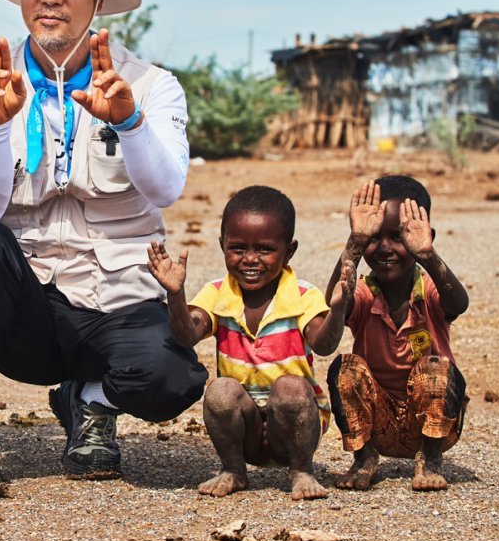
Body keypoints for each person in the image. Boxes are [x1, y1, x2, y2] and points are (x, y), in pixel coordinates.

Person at [0, 0, 208, 498]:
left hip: (116, 296)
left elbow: (165, 191)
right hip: (26, 306)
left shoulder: (153, 86)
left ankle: (89, 401)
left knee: (174, 378)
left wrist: (129, 123)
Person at [148, 185, 353, 500]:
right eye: (238, 248)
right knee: (220, 390)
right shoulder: (217, 292)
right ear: (222, 245)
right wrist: (175, 294)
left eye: (265, 249)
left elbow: (324, 345)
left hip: (295, 425)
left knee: (291, 388)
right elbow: (187, 336)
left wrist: (337, 309)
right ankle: (233, 469)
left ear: (290, 250)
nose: (250, 260)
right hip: (246, 430)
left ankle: (301, 470)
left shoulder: (302, 295)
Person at [323, 177, 470, 491]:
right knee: (344, 368)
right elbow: (336, 300)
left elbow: (459, 303)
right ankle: (364, 459)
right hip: (378, 422)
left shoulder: (428, 289)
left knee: (435, 368)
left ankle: (430, 462)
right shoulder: (365, 293)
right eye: (375, 238)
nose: (385, 248)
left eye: (398, 237)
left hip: (435, 424)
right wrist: (354, 244)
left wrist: (429, 256)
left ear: (424, 236)